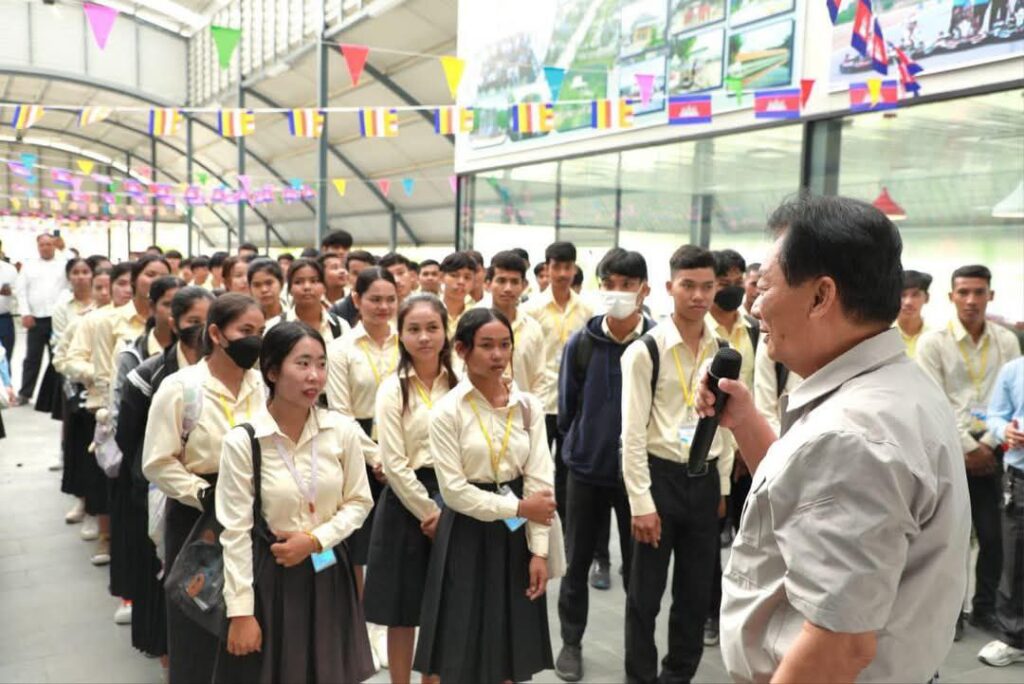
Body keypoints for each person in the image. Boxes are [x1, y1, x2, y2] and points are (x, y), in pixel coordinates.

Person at [706, 195, 970, 683]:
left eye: (766, 286)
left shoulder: (853, 434)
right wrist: (745, 421)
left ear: (821, 296)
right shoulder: (895, 387)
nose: (755, 305)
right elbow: (806, 500)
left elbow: (839, 646)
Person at [214, 321, 375, 683]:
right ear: (272, 371)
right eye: (302, 364)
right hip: (270, 576)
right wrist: (241, 612)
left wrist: (315, 540)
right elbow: (235, 532)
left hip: (329, 568)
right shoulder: (244, 441)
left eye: (321, 364)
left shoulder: (341, 431)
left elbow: (359, 502)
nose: (314, 376)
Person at [413, 308, 557, 683]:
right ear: (462, 350)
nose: (498, 355)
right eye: (487, 346)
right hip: (466, 533)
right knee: (460, 647)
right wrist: (519, 507)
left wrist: (539, 551)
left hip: (517, 534)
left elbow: (540, 479)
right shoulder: (447, 411)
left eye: (505, 345)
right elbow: (455, 492)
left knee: (510, 650)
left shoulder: (528, 406)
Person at [142, 293, 266, 684]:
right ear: (216, 333)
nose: (255, 339)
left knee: (252, 614)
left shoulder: (264, 384)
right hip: (198, 516)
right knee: (198, 617)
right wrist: (202, 493)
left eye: (261, 331)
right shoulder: (181, 388)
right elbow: (157, 461)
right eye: (245, 330)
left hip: (256, 507)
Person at [621, 244, 731, 684]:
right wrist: (640, 503)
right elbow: (631, 435)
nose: (698, 296)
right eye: (688, 285)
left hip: (704, 479)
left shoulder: (723, 350)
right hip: (659, 478)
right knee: (644, 597)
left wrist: (723, 487)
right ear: (670, 287)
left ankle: (677, 677)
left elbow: (725, 425)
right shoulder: (645, 351)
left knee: (695, 594)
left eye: (707, 286)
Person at [555, 248, 654, 682]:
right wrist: (581, 445)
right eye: (609, 284)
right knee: (575, 563)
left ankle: (638, 655)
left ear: (644, 290)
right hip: (586, 470)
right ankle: (571, 643)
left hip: (638, 478)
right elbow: (567, 409)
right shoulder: (581, 343)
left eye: (627, 285)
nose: (618, 292)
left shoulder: (655, 344)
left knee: (639, 571)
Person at [917, 264, 1021, 638]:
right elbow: (933, 400)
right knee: (950, 539)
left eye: (979, 292)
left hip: (994, 450)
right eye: (963, 292)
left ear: (990, 295)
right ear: (951, 297)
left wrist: (988, 444)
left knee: (994, 538)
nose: (971, 300)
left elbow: (1012, 400)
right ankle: (950, 614)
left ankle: (984, 609)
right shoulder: (933, 343)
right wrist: (967, 447)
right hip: (949, 449)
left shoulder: (1007, 341)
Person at [115, 286, 214, 665]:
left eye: (207, 321)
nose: (200, 330)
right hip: (159, 489)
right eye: (192, 321)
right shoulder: (150, 373)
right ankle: (168, 656)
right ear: (174, 323)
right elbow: (129, 436)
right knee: (165, 575)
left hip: (209, 492)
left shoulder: (228, 371)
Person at [364, 294, 458, 683]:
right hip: (406, 501)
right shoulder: (392, 389)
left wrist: (447, 511)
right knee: (401, 612)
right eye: (414, 329)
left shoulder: (460, 383)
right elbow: (395, 464)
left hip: (455, 496)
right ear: (400, 335)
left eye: (432, 328)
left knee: (443, 606)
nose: (424, 337)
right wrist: (430, 513)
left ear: (445, 332)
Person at [325, 266, 400, 666]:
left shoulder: (407, 341)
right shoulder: (341, 350)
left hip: (405, 450)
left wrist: (398, 458)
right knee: (361, 545)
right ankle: (361, 625)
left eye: (390, 299)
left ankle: (390, 622)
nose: (383, 307)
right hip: (358, 451)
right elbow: (341, 413)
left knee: (395, 545)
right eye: (374, 299)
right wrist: (377, 457)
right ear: (357, 300)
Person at [108, 276, 184, 625]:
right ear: (152, 308)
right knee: (150, 552)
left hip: (188, 474)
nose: (175, 314)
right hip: (148, 472)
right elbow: (122, 423)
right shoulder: (136, 356)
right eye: (168, 304)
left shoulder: (208, 360)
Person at [62, 262, 136, 563]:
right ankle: (105, 536)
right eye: (120, 283)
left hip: (136, 406)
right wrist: (102, 376)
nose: (125, 289)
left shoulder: (148, 320)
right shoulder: (95, 321)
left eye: (129, 283)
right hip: (102, 405)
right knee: (105, 473)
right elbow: (70, 360)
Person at [704, 248, 758, 646]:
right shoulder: (698, 330)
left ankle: (748, 613)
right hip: (711, 450)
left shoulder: (754, 329)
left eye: (739, 281)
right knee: (708, 542)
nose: (733, 288)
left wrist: (747, 442)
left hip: (748, 449)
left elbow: (763, 388)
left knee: (751, 537)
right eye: (725, 282)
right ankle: (711, 613)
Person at [526, 241, 593, 524]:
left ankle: (566, 528)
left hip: (574, 403)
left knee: (569, 469)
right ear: (547, 268)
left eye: (568, 267)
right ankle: (538, 526)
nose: (563, 273)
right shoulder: (531, 309)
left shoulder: (588, 310)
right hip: (540, 401)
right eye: (557, 267)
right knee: (537, 467)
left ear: (575, 269)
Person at [976, 356, 1024, 667]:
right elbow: (994, 415)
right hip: (1020, 477)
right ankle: (1014, 638)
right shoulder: (1013, 370)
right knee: (1016, 561)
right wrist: (1005, 430)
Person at [14, 233, 68, 406]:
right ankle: (25, 393)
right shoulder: (29, 266)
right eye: (42, 244)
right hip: (35, 319)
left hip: (58, 319)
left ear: (54, 245)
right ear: (38, 246)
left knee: (57, 358)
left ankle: (55, 396)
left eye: (49, 244)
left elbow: (69, 288)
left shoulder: (64, 264)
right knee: (32, 358)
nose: (45, 247)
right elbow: (21, 291)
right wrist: (25, 313)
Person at [487, 251, 544, 394]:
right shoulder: (474, 324)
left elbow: (539, 380)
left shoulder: (533, 328)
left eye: (514, 282)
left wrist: (534, 408)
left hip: (523, 406)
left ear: (524, 285)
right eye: (501, 281)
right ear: (488, 284)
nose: (508, 288)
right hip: (480, 406)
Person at [266, 257, 350, 342]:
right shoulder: (274, 326)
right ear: (290, 289)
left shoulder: (340, 327)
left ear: (324, 287)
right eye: (298, 282)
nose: (307, 287)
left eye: (314, 281)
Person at [330, 250, 377, 327]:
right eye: (355, 273)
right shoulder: (338, 310)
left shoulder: (384, 306)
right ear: (347, 276)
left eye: (366, 273)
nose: (360, 278)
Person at [896, 269, 933, 359]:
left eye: (915, 295)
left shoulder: (936, 336)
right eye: (902, 295)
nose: (908, 302)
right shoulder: (883, 337)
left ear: (927, 298)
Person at [438, 251, 476, 336]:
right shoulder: (431, 309)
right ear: (441, 277)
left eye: (467, 277)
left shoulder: (476, 313)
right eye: (454, 275)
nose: (461, 282)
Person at [0, 254, 17, 362]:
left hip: (4, 319)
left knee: (5, 359)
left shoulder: (9, 270)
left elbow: (20, 292)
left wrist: (11, 292)